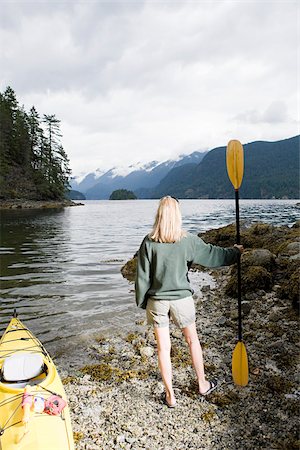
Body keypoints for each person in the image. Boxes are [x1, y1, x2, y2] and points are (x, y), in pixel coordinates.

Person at [135, 196, 243, 408]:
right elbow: (214, 255)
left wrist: (142, 301)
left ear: (159, 215)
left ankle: (170, 396)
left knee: (163, 349)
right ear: (177, 216)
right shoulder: (188, 241)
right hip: (182, 299)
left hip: (157, 301)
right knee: (193, 341)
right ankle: (202, 384)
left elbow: (142, 277)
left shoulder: (148, 242)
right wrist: (235, 253)